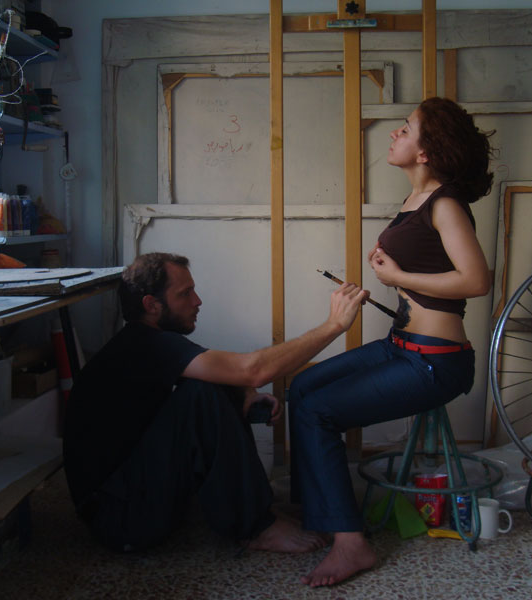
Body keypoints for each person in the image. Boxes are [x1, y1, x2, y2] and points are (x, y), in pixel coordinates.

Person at [289, 96, 494, 587]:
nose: (394, 134)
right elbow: (423, 266)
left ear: (426, 151)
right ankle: (319, 513)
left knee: (317, 410)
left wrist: (398, 275)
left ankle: (350, 543)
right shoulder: (415, 201)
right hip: (401, 345)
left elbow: (476, 280)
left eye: (406, 128)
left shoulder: (445, 203)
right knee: (300, 387)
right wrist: (390, 269)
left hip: (435, 362)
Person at [63, 252, 368, 554]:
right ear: (152, 305)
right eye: (185, 293)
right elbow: (254, 370)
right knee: (203, 393)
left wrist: (243, 392)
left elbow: (225, 372)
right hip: (118, 520)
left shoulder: (144, 341)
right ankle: (256, 527)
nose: (197, 301)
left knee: (216, 383)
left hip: (123, 500)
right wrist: (334, 325)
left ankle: (257, 510)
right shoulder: (148, 345)